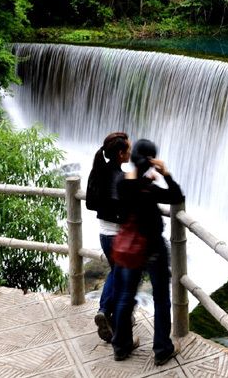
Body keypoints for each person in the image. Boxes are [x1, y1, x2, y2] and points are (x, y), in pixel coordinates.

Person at [111, 138, 184, 364]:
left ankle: (121, 346)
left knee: (125, 296)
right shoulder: (149, 189)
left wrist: (142, 173)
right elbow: (177, 196)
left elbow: (129, 185)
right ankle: (162, 349)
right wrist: (165, 173)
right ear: (151, 161)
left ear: (133, 160)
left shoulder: (123, 183)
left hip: (129, 249)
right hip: (153, 250)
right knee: (161, 298)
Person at [85, 131, 131, 343]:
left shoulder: (99, 170)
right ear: (121, 154)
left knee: (116, 273)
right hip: (118, 236)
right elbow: (123, 210)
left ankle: (108, 314)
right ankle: (107, 313)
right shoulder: (119, 178)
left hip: (104, 234)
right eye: (128, 150)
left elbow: (91, 203)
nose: (131, 152)